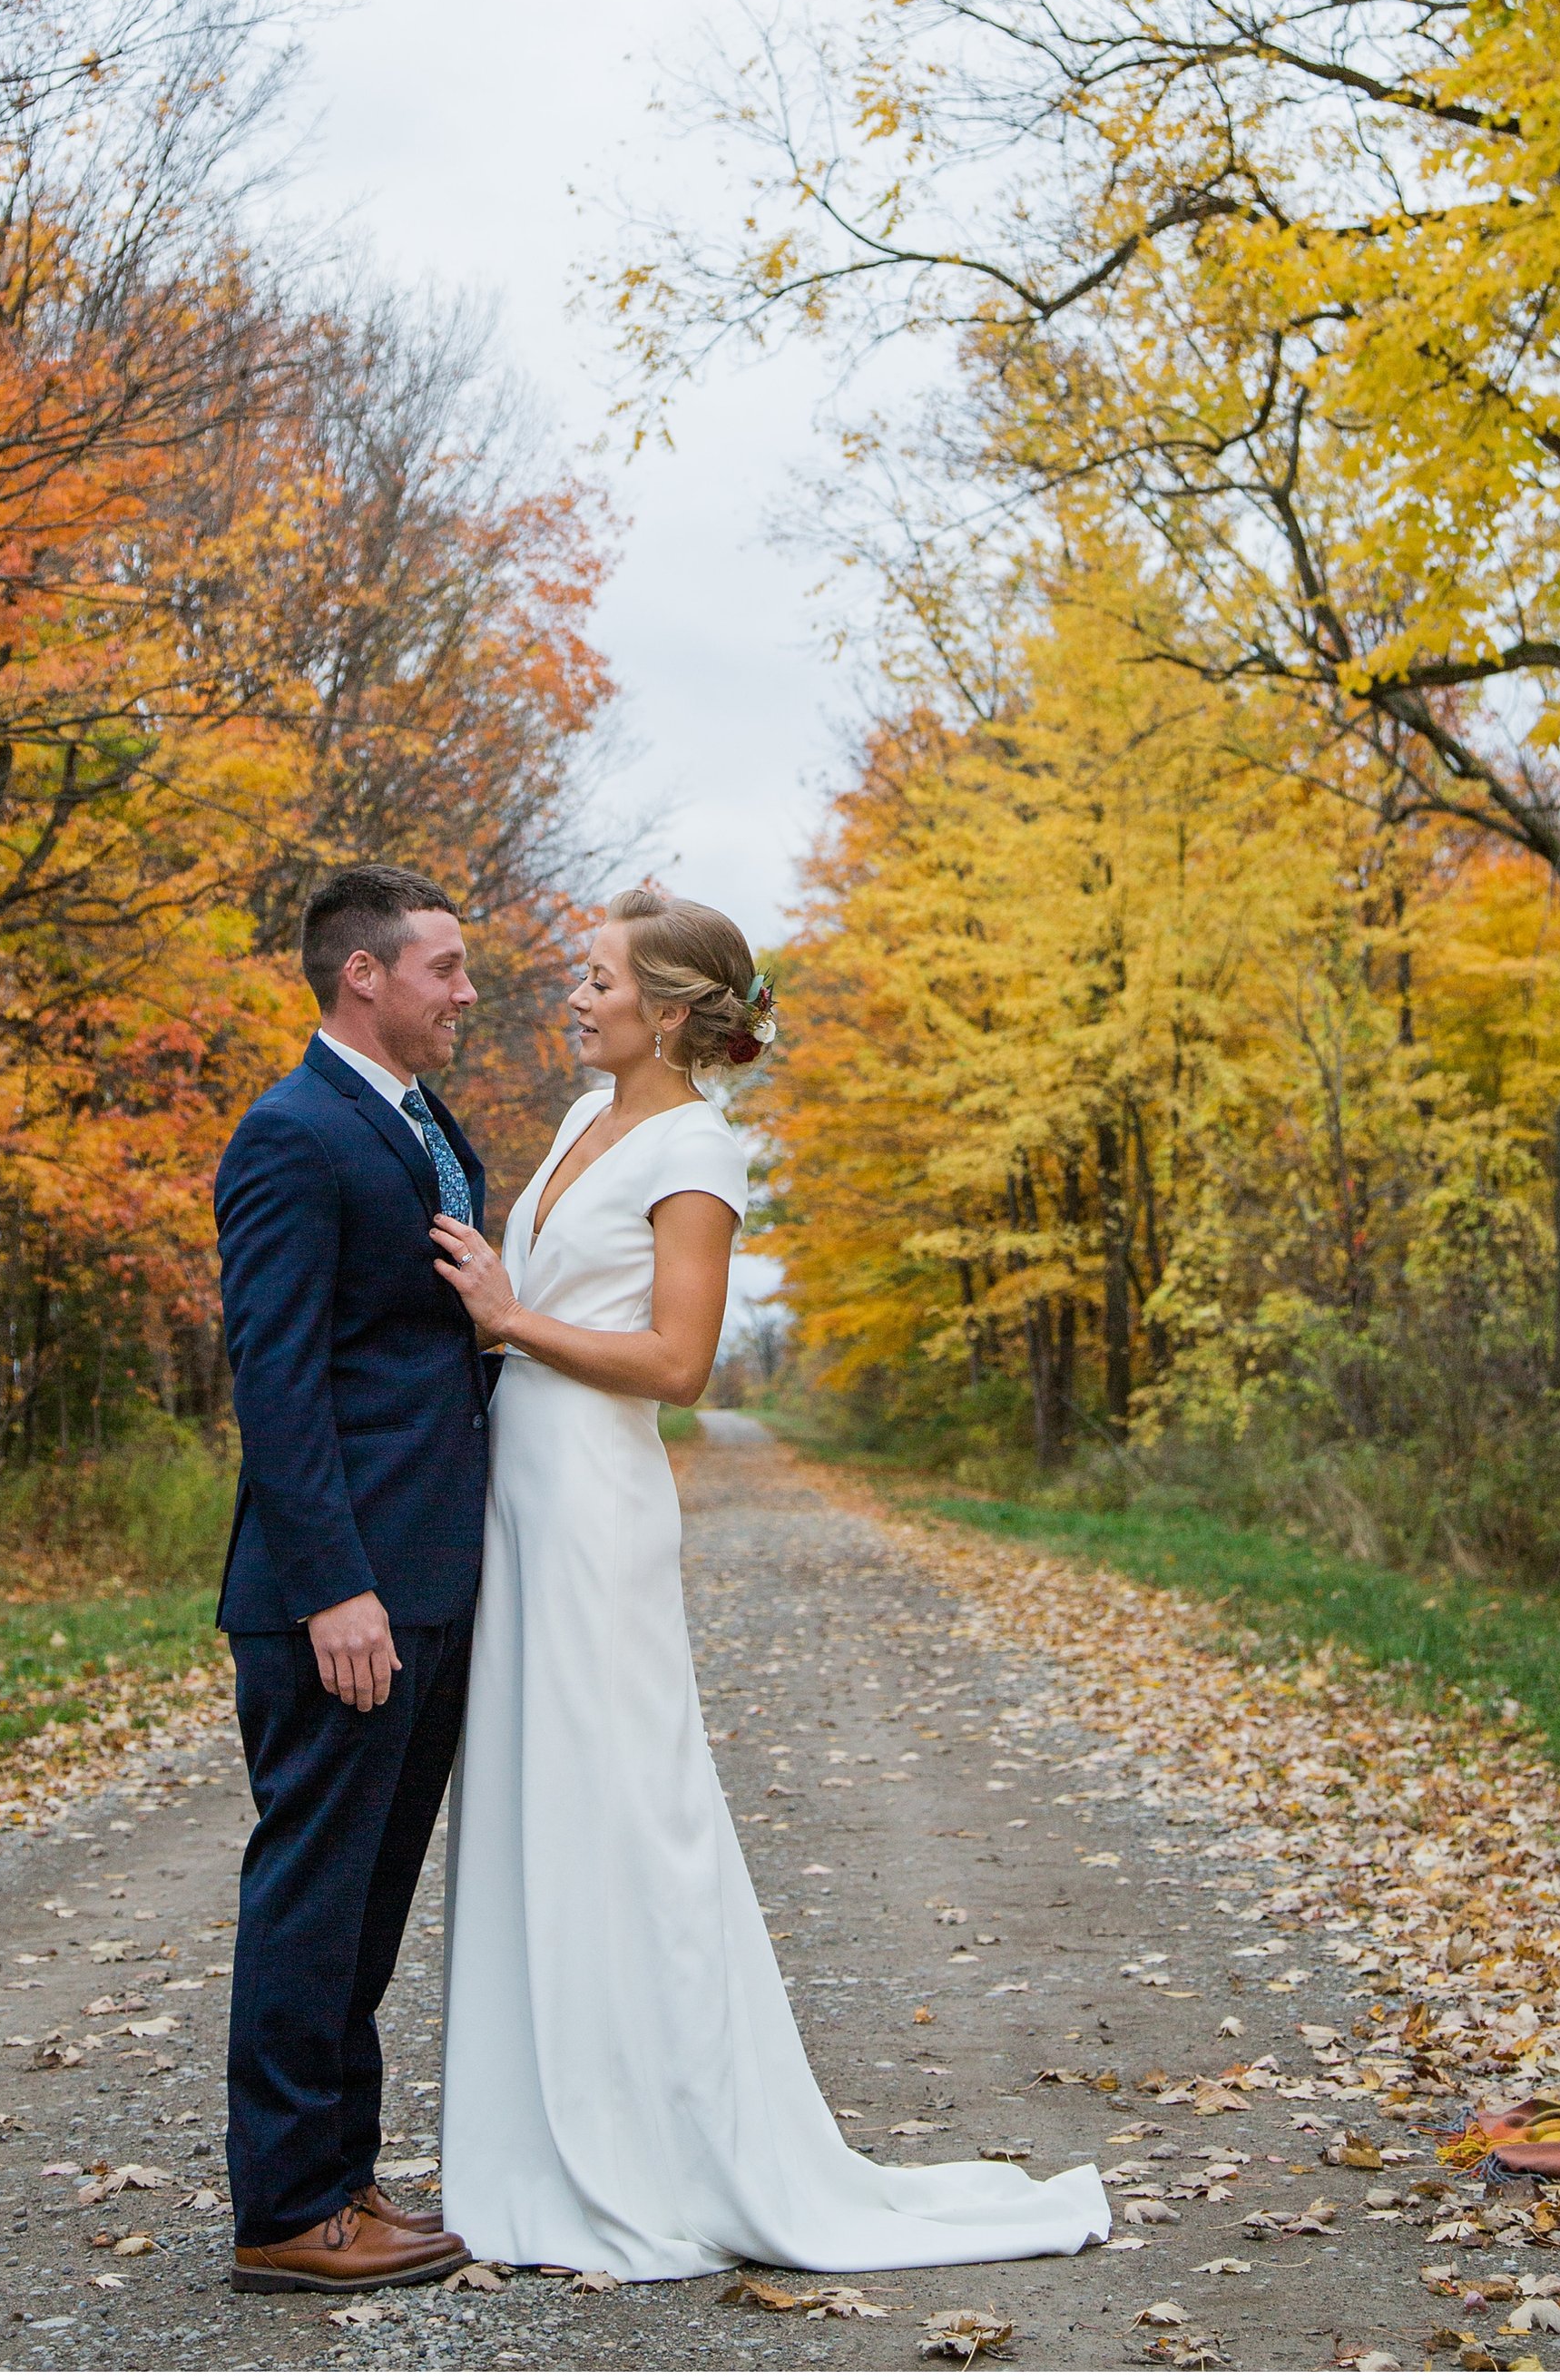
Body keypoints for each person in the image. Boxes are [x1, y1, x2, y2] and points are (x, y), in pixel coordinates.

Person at [427, 883, 1110, 2282]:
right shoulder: (574, 1122)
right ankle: (541, 2135)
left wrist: (510, 1315)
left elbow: (680, 1366)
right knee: (533, 1800)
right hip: (520, 1492)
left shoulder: (699, 1152)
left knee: (631, 1808)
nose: (575, 992)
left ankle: (659, 2144)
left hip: (600, 1510)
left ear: (670, 1010)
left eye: (600, 977)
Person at [213, 864, 493, 2295]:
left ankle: (344, 2171)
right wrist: (334, 1585)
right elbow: (277, 1378)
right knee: (314, 1893)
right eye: (442, 966)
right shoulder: (291, 1131)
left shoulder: (418, 1123)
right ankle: (283, 2207)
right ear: (364, 976)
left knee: (371, 1899)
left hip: (428, 1572)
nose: (463, 989)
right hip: (343, 1594)